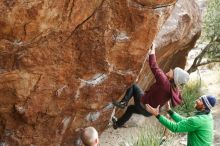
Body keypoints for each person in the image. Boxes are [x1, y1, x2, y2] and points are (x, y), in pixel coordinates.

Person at [112, 44, 190, 129]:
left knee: (133, 86)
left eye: (173, 70)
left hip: (143, 104)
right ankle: (117, 124)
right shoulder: (173, 88)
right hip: (148, 112)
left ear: (174, 76)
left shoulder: (164, 82)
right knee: (131, 109)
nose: (171, 69)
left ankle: (123, 103)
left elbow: (155, 67)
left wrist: (152, 51)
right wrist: (149, 60)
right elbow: (162, 77)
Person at [146, 95, 217, 146]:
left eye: (200, 100)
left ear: (204, 106)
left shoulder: (198, 120)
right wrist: (170, 111)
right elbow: (185, 121)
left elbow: (175, 127)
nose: (196, 100)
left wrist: (157, 115)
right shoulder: (207, 116)